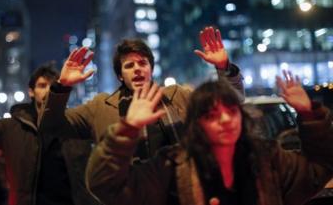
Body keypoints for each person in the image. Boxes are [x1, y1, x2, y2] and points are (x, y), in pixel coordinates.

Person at [85, 71, 333, 205]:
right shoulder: (172, 166)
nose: (225, 120)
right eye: (212, 115)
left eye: (231, 111)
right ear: (197, 123)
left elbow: (318, 170)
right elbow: (105, 185)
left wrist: (308, 113)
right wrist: (127, 128)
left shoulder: (268, 158)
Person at [58, 27, 244, 161]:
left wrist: (223, 67)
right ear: (120, 75)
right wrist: (62, 87)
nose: (137, 69)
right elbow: (51, 126)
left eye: (142, 63)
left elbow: (233, 101)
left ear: (151, 69)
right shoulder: (99, 107)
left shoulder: (178, 96)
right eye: (129, 66)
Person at [0, 48, 99, 205]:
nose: (47, 90)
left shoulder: (75, 123)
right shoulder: (13, 127)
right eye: (42, 85)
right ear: (31, 92)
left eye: (52, 85)